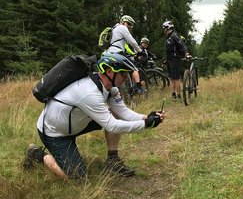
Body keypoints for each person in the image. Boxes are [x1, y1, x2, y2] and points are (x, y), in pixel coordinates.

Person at [22, 53, 165, 179]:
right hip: (54, 132)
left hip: (74, 124)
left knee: (113, 113)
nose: (126, 78)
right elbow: (112, 126)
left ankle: (113, 161)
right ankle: (36, 155)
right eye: (123, 74)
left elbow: (123, 112)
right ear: (110, 72)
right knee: (76, 175)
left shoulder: (110, 89)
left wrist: (146, 117)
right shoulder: (89, 93)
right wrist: (146, 125)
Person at [105, 15, 144, 94]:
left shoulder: (114, 29)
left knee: (121, 73)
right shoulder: (122, 28)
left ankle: (120, 92)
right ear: (122, 22)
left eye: (131, 25)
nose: (129, 26)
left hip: (108, 54)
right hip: (117, 53)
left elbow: (125, 46)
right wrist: (140, 51)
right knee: (134, 69)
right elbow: (132, 41)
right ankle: (139, 88)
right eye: (128, 23)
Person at [162, 21, 190, 100]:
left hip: (175, 59)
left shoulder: (174, 35)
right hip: (170, 60)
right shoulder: (168, 37)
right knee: (171, 77)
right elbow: (169, 50)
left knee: (176, 78)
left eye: (164, 28)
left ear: (168, 28)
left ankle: (178, 95)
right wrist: (166, 60)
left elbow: (182, 45)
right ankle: (173, 94)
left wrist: (186, 53)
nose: (164, 30)